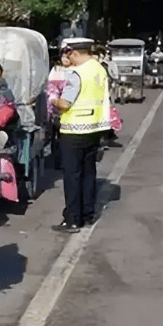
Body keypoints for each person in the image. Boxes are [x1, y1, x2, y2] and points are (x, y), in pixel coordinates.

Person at [50, 38, 111, 233]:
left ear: (75, 53)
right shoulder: (100, 70)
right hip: (94, 129)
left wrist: (54, 101)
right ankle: (87, 214)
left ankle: (73, 219)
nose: (70, 60)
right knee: (88, 173)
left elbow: (66, 103)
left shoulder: (78, 74)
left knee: (72, 176)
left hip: (74, 130)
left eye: (70, 56)